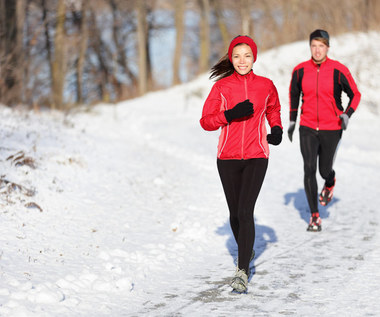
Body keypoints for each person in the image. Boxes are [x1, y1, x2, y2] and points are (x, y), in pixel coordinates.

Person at [200, 35, 283, 293]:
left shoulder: (266, 85)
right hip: (227, 158)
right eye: (236, 56)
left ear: (254, 57)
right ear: (231, 59)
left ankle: (242, 270)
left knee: (246, 211)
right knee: (235, 214)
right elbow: (206, 121)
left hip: (257, 155)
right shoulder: (222, 88)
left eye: (247, 55)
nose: (242, 61)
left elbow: (273, 109)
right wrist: (230, 114)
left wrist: (277, 128)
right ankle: (247, 249)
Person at [288, 29, 361, 232]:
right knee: (309, 169)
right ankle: (314, 216)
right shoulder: (300, 70)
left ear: (327, 47)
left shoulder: (338, 70)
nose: (317, 50)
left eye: (321, 46)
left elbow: (355, 94)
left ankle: (329, 181)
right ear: (310, 47)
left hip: (332, 127)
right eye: (314, 46)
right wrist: (293, 121)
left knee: (323, 170)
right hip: (308, 127)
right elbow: (294, 95)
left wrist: (347, 114)